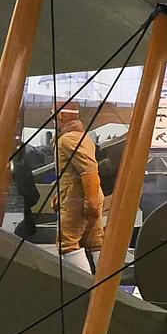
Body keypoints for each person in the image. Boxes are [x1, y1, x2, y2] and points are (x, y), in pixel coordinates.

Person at [54, 106, 106, 258]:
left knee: (67, 243)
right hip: (88, 196)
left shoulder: (68, 139)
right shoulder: (84, 138)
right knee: (94, 241)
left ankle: (81, 282)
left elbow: (88, 170)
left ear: (61, 116)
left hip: (76, 200)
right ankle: (104, 280)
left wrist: (90, 202)